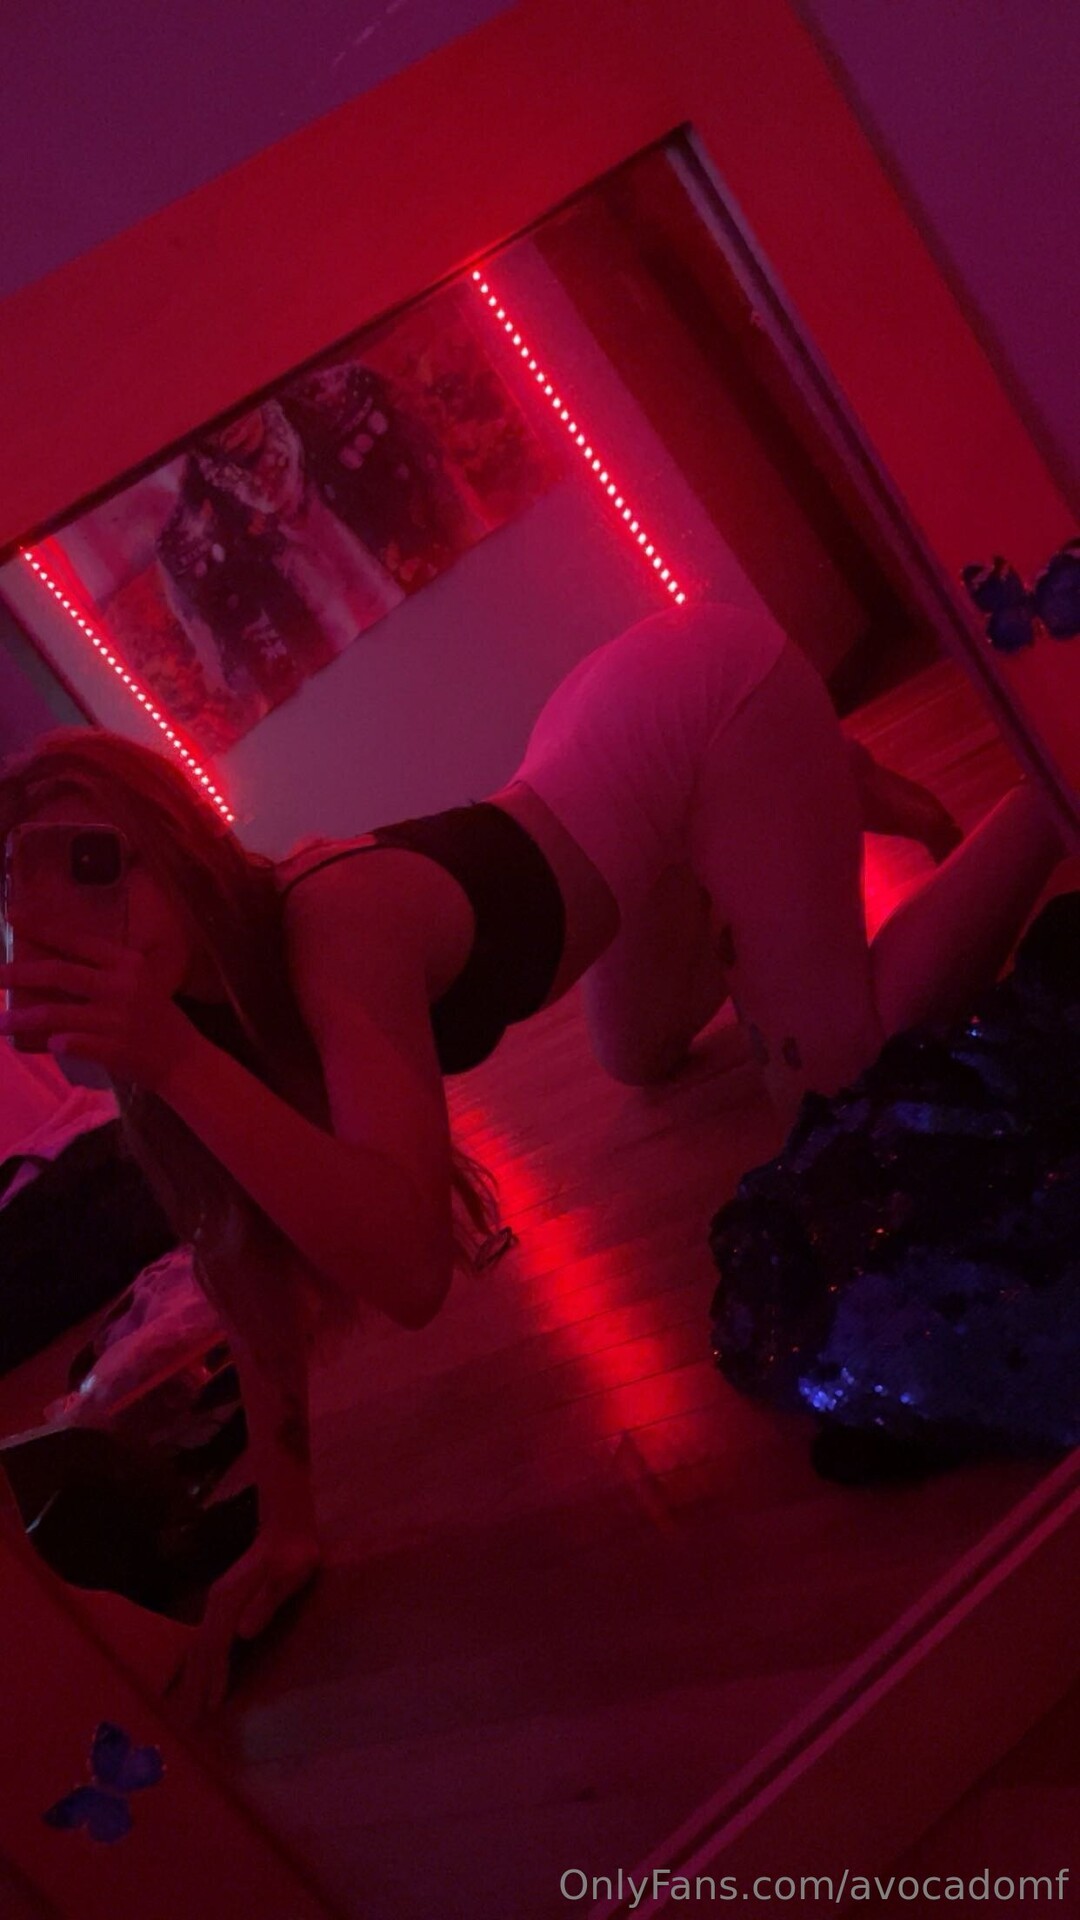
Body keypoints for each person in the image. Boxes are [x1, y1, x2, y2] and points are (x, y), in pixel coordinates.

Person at [0, 602, 1065, 1716]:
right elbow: (244, 1256)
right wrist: (286, 1527)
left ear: (174, 841)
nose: (90, 912)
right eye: (44, 887)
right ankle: (792, 801)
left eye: (103, 860)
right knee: (639, 1056)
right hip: (622, 765)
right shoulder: (201, 1013)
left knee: (835, 1096)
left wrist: (169, 1060)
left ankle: (1044, 786)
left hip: (705, 702)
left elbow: (411, 1266)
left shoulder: (328, 926)